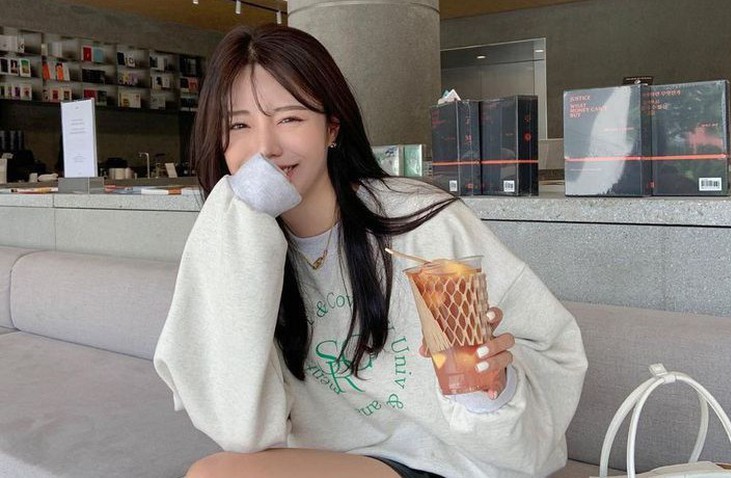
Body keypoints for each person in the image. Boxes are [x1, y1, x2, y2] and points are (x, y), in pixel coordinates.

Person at [153, 24, 587, 478]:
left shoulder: (423, 223)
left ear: (331, 128)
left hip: (453, 461)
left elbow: (549, 352)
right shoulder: (237, 243)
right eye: (239, 125)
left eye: (289, 119)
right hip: (347, 461)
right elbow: (239, 429)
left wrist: (491, 384)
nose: (265, 148)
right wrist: (243, 234)